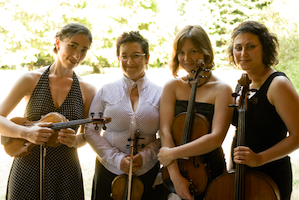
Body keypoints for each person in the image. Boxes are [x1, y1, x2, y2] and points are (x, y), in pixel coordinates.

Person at [0, 22, 97, 199]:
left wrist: (75, 141)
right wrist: (26, 133)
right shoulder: (30, 79)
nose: (77, 55)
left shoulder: (88, 89)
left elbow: (89, 134)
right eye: (73, 46)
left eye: (84, 50)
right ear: (58, 43)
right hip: (28, 167)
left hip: (66, 171)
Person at [157, 25, 234, 200]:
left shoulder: (222, 90)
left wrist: (172, 153)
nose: (186, 58)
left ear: (205, 52)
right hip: (174, 168)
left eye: (193, 51)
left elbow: (216, 138)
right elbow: (165, 131)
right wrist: (176, 177)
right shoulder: (172, 86)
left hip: (208, 168)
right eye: (181, 52)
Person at [84, 31, 162, 200]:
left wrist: (145, 155)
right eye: (124, 56)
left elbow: (166, 135)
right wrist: (117, 159)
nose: (130, 62)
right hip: (108, 171)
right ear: (118, 59)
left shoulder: (161, 94)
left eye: (136, 56)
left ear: (147, 58)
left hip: (147, 171)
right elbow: (90, 131)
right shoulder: (105, 91)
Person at [228, 20, 299, 200]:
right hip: (241, 174)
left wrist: (259, 159)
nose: (243, 53)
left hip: (271, 175)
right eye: (238, 48)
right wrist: (231, 169)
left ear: (264, 49)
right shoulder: (242, 83)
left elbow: (297, 135)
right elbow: (240, 133)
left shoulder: (278, 85)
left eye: (250, 46)